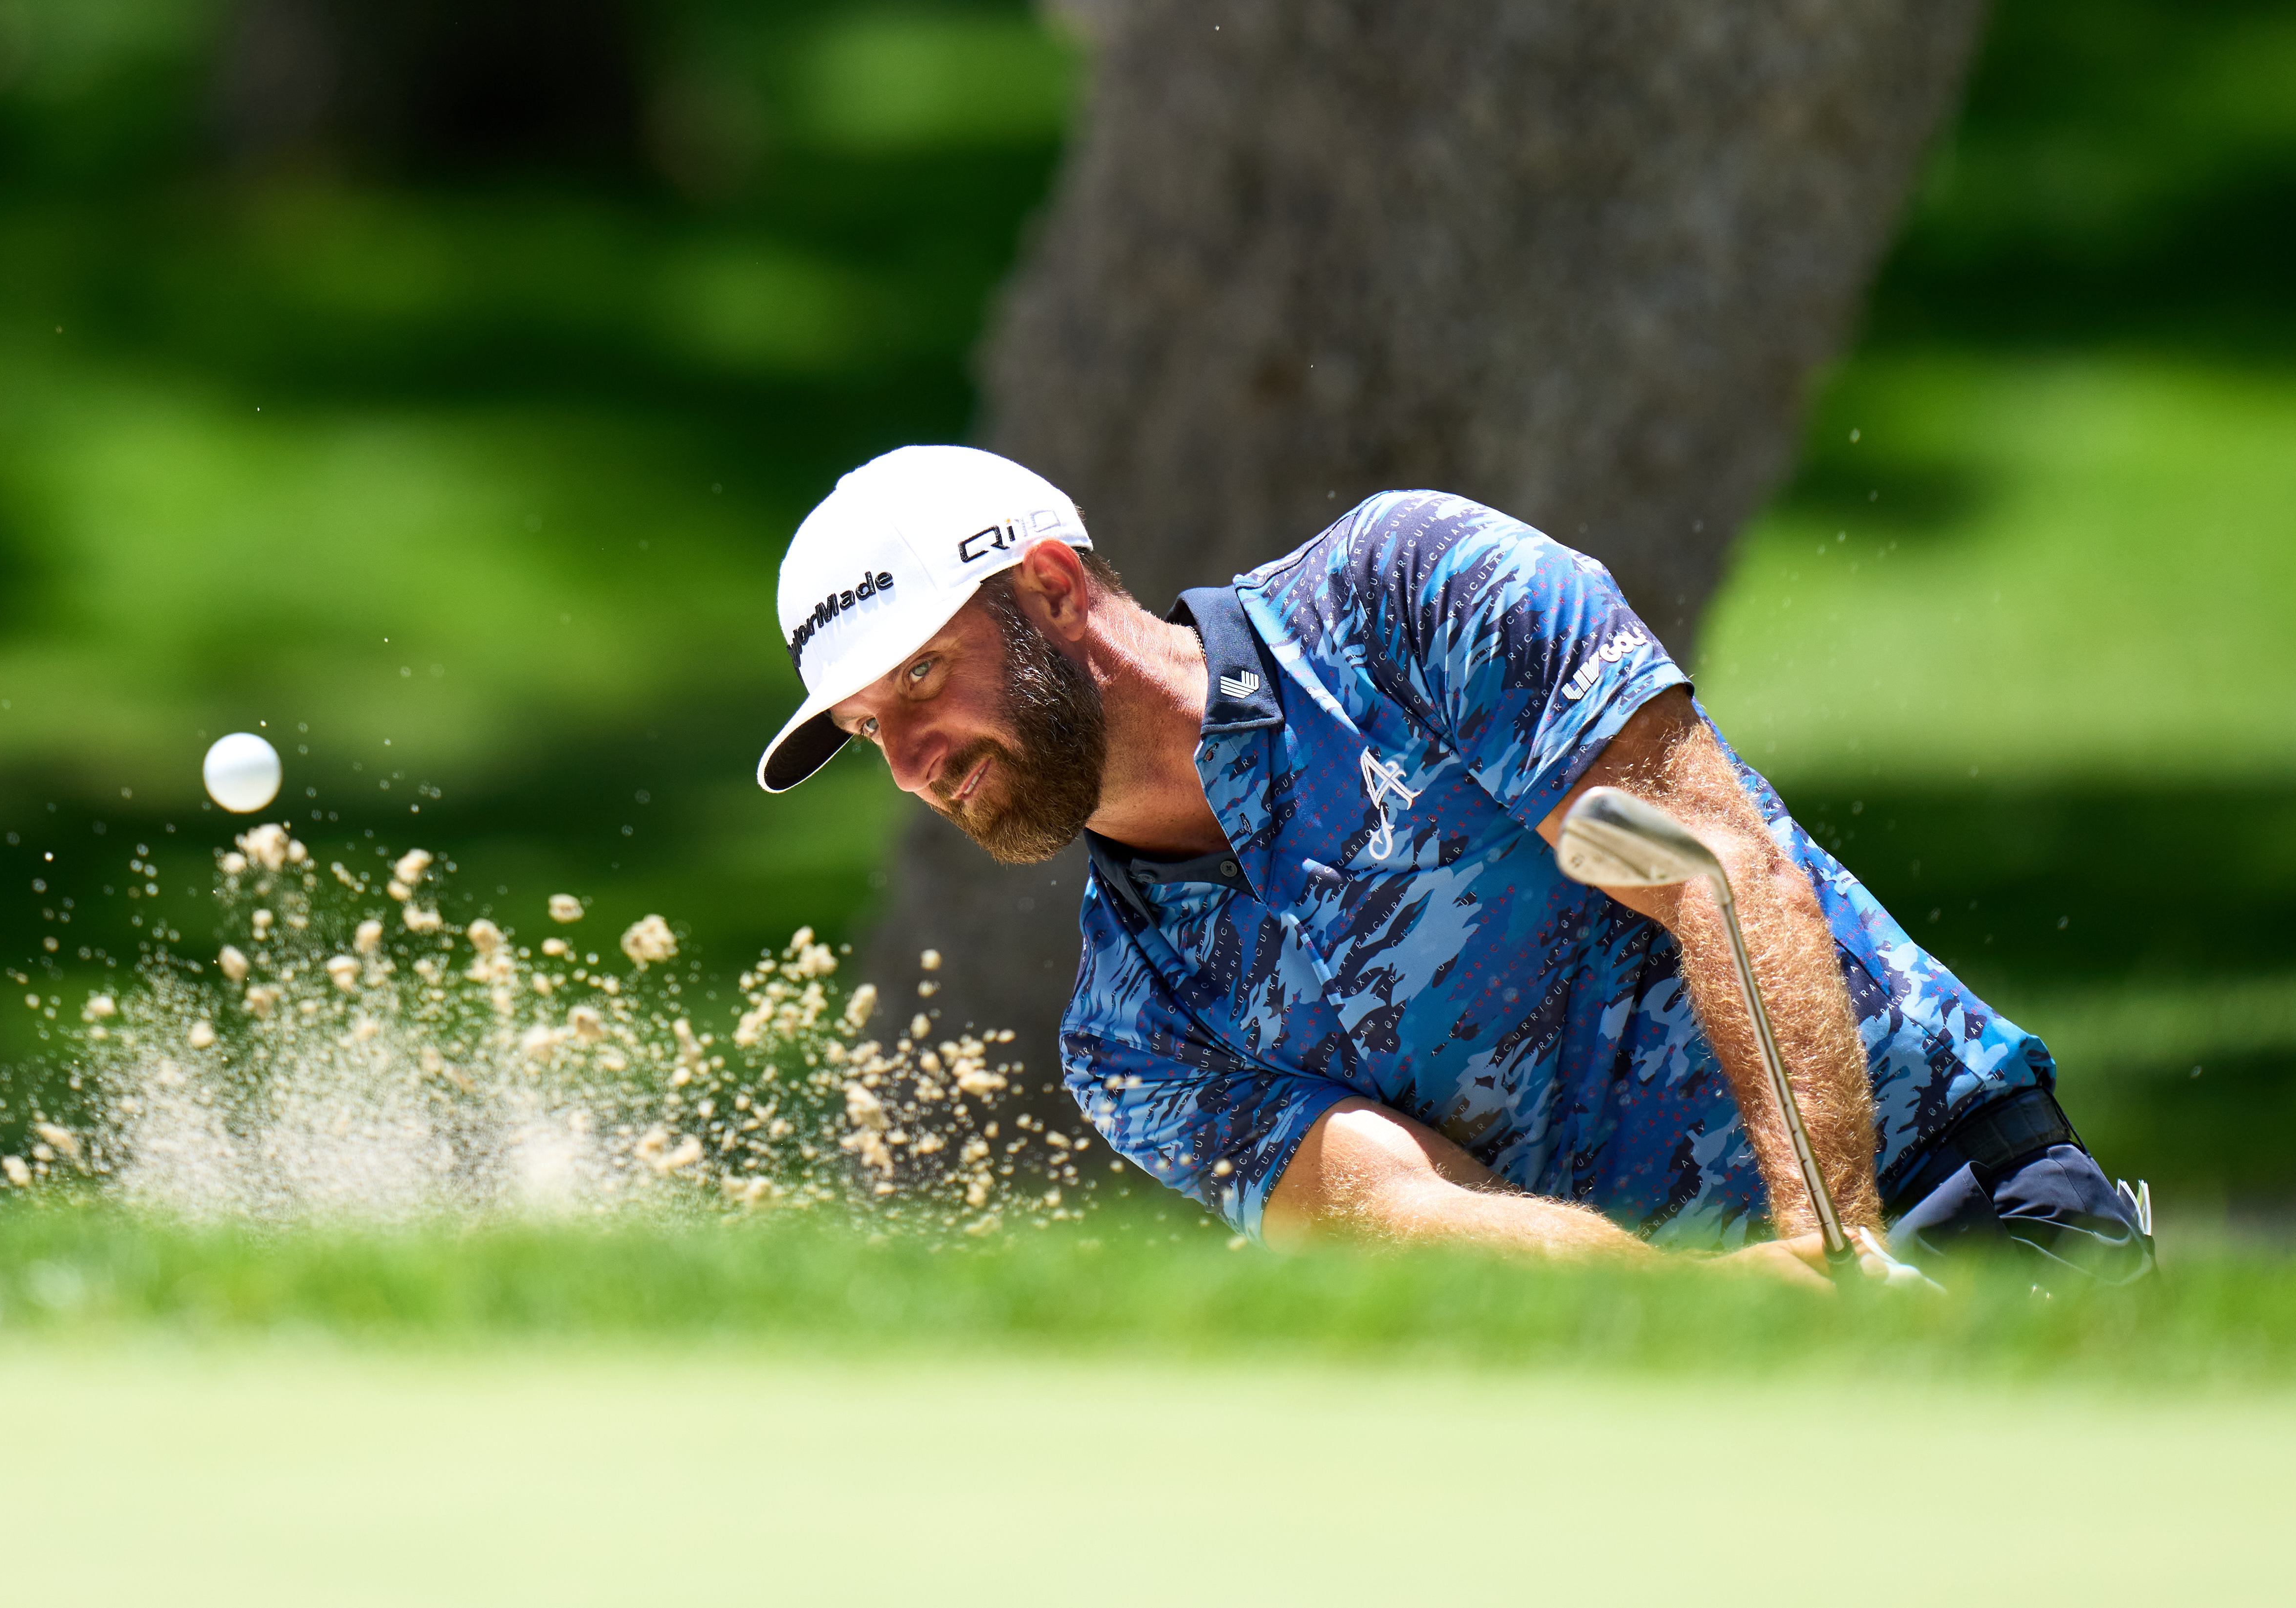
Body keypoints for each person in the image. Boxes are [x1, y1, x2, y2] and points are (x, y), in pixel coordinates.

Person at [757, 445, 2151, 1286]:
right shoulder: (1135, 1033)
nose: (913, 759)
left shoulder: (1401, 596)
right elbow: (1416, 1213)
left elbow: (1714, 870)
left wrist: (1834, 1251)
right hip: (1699, 1378)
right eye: (875, 724)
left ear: (1054, 589)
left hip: (1954, 1209)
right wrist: (1749, 1314)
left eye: (925, 674)